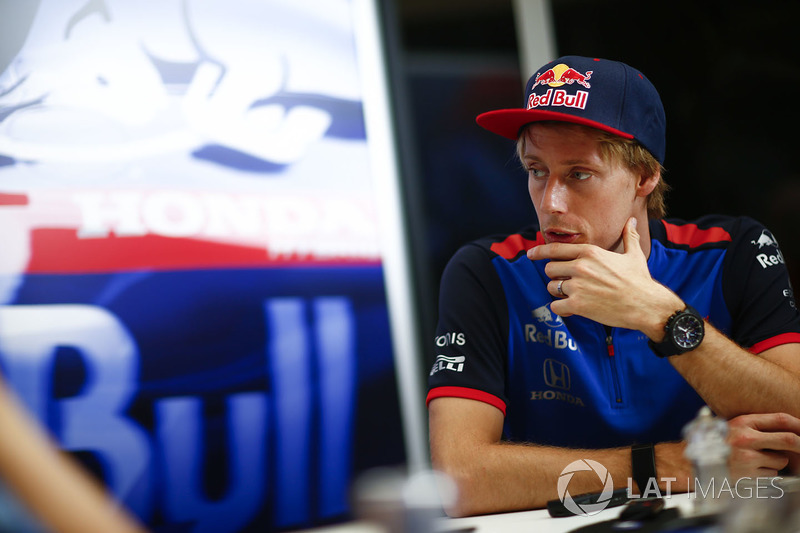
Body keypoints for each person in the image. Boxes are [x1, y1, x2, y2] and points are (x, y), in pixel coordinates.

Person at [426, 55, 800, 517]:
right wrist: (668, 464)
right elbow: (457, 479)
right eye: (536, 170)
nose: (551, 202)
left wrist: (658, 316)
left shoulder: (733, 252)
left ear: (646, 175)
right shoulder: (488, 272)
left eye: (578, 174)